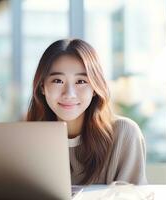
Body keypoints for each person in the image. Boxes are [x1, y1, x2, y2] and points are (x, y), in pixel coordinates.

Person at [27, 39, 147, 185]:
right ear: (42, 87)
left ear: (95, 88)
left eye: (81, 81)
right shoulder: (28, 140)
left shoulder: (124, 133)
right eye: (58, 81)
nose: (69, 94)